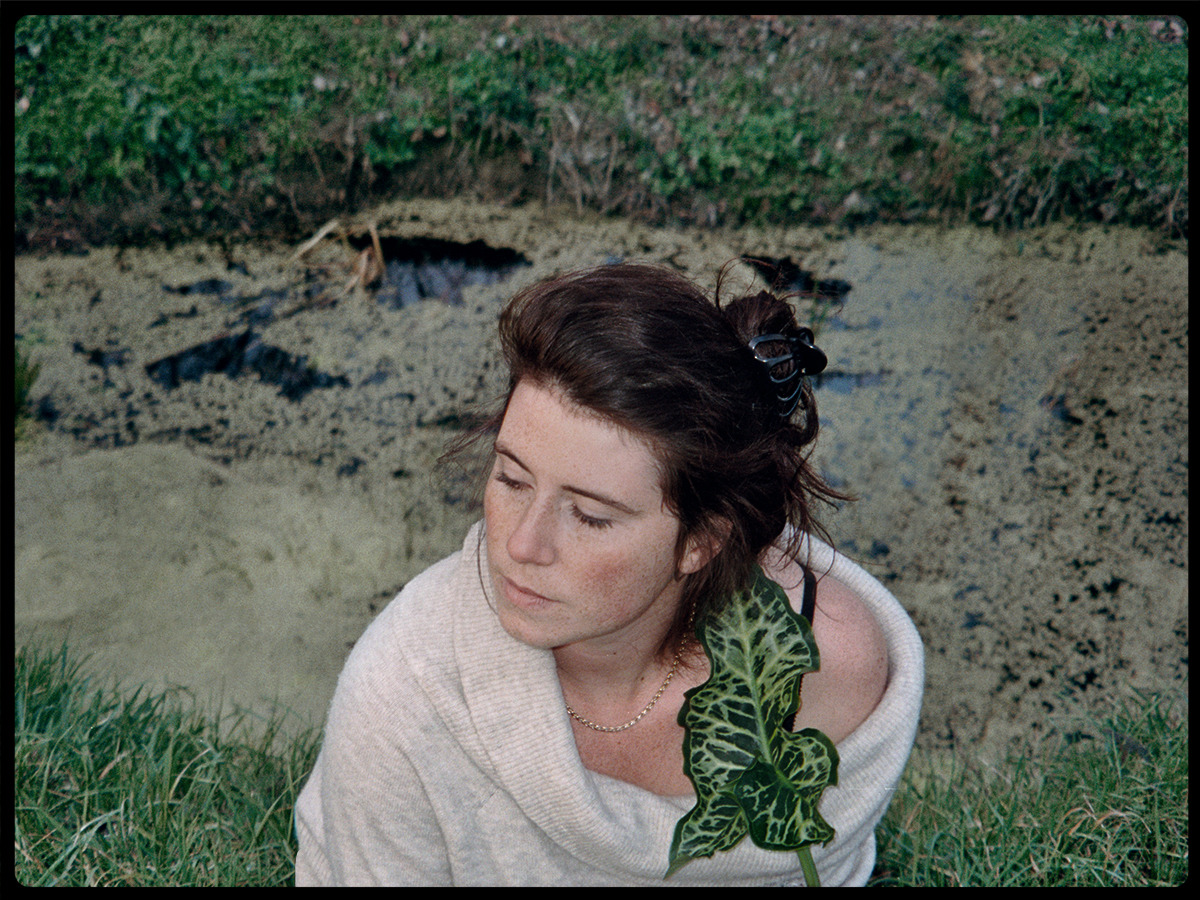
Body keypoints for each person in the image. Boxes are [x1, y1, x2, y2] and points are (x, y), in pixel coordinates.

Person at [294, 262, 923, 886]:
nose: (520, 543)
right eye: (512, 479)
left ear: (701, 542)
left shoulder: (825, 668)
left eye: (590, 516)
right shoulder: (408, 688)